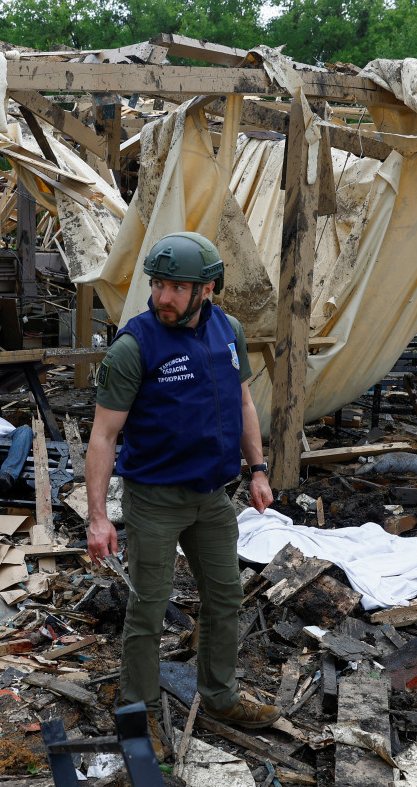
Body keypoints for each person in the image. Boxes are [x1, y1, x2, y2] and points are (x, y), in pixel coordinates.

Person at [85, 231, 277, 747]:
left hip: (213, 495)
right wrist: (98, 515)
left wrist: (258, 469)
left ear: (207, 289)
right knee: (149, 605)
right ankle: (139, 709)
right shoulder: (135, 346)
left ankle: (219, 695)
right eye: (157, 284)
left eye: (175, 287)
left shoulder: (228, 330)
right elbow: (104, 435)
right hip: (155, 498)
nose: (162, 297)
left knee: (226, 595)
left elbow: (243, 405)